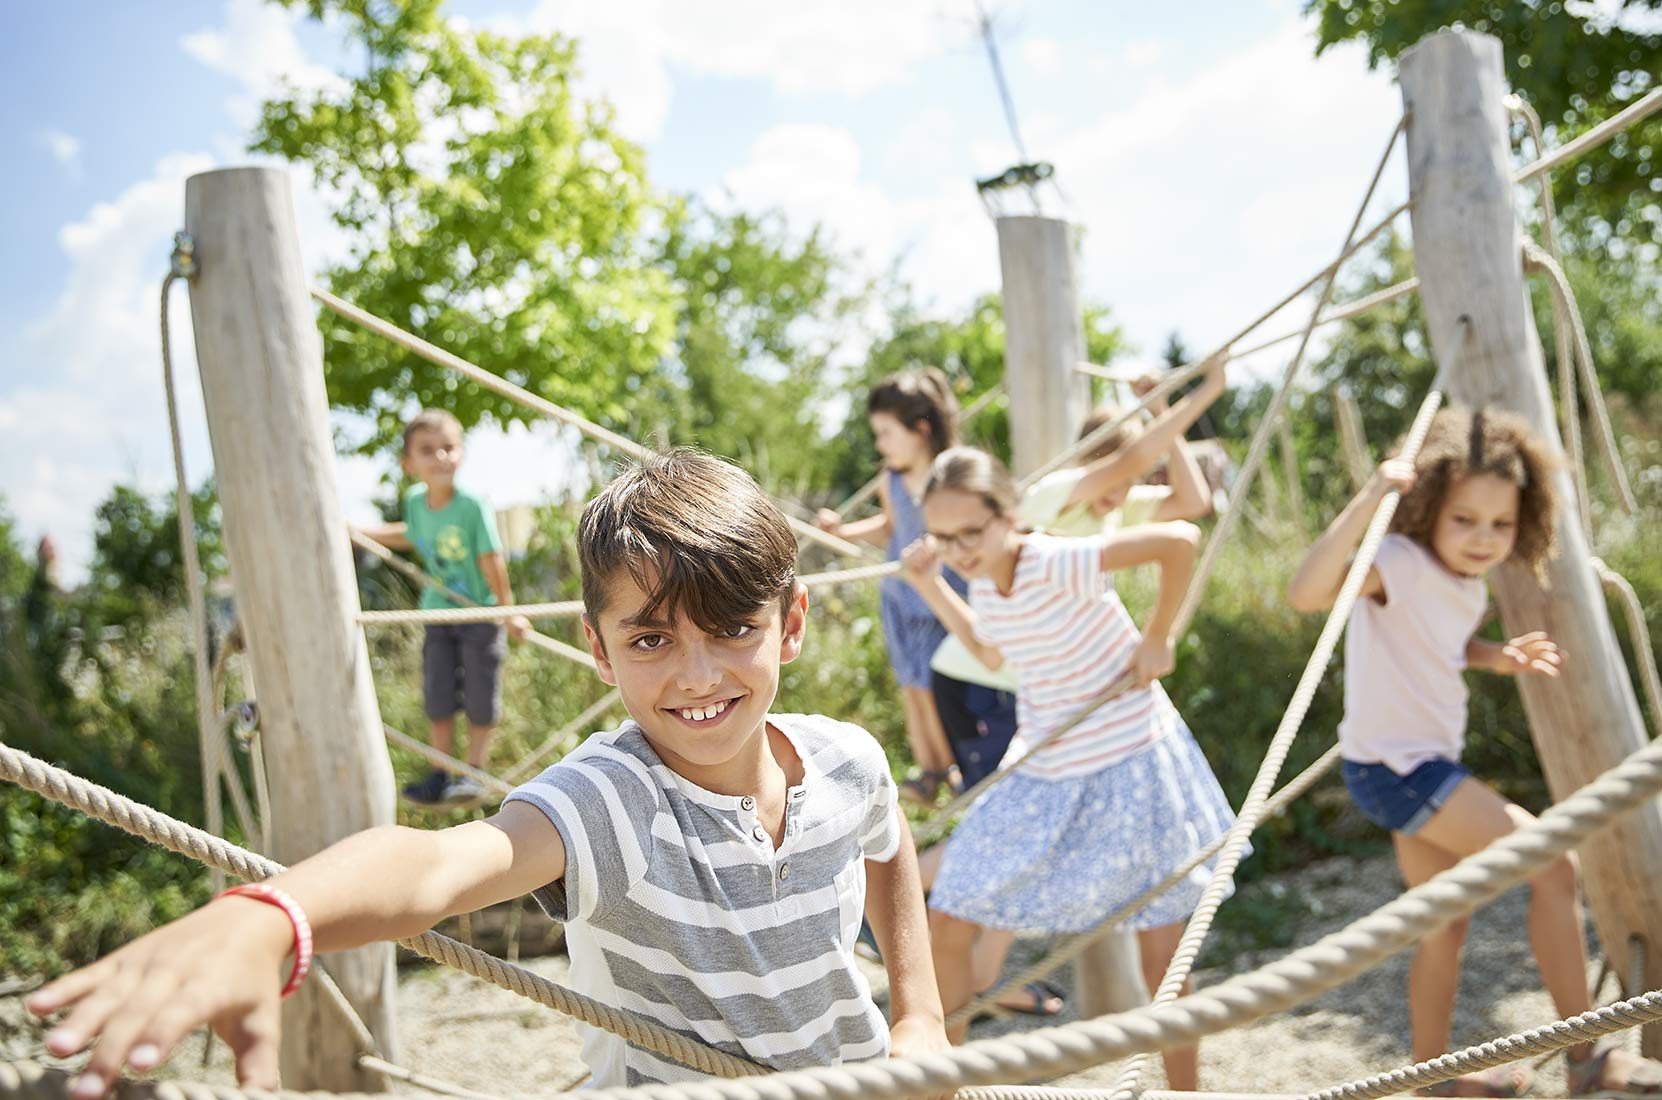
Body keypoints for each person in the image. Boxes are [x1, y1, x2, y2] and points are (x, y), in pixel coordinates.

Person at [27, 449, 948, 1096]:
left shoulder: (843, 758)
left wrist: (919, 1018)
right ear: (597, 648)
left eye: (733, 630)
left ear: (789, 626)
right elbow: (439, 864)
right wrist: (271, 918)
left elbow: (886, 838)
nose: (697, 675)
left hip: (860, 1079)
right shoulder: (614, 800)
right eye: (652, 638)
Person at [1288, 407, 1662, 1099]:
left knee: (1443, 927)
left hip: (1407, 768)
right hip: (1401, 771)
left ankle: (1433, 1078)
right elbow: (1306, 592)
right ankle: (1587, 1060)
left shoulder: (1462, 582)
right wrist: (1372, 496)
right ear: (1428, 507)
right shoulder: (1395, 562)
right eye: (1464, 520)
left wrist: (1494, 656)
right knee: (1555, 866)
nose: (1483, 538)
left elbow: (1443, 643)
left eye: (1501, 524)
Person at [902, 447, 1237, 1090]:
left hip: (1130, 756)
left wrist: (1159, 635)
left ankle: (1187, 1091)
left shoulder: (1052, 558)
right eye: (944, 537)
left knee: (1164, 953)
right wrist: (928, 581)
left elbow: (1178, 540)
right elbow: (990, 651)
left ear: (1008, 516)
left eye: (972, 531)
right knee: (949, 908)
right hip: (1047, 765)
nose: (961, 548)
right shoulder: (978, 578)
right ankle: (943, 1082)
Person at [358, 410, 530, 805]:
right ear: (408, 464)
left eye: (448, 448)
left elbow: (492, 558)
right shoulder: (415, 502)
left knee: (480, 693)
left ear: (462, 454)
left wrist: (508, 610)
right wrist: (360, 530)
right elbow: (410, 534)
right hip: (436, 612)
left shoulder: (471, 507)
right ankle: (440, 772)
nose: (440, 457)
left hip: (479, 614)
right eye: (427, 450)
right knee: (437, 693)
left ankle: (473, 772)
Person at [817, 369, 967, 805]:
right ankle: (929, 771)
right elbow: (890, 527)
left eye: (886, 433)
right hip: (901, 597)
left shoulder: (953, 473)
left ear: (921, 430)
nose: (880, 444)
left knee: (938, 686)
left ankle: (953, 768)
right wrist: (844, 532)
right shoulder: (893, 480)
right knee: (911, 685)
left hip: (942, 596)